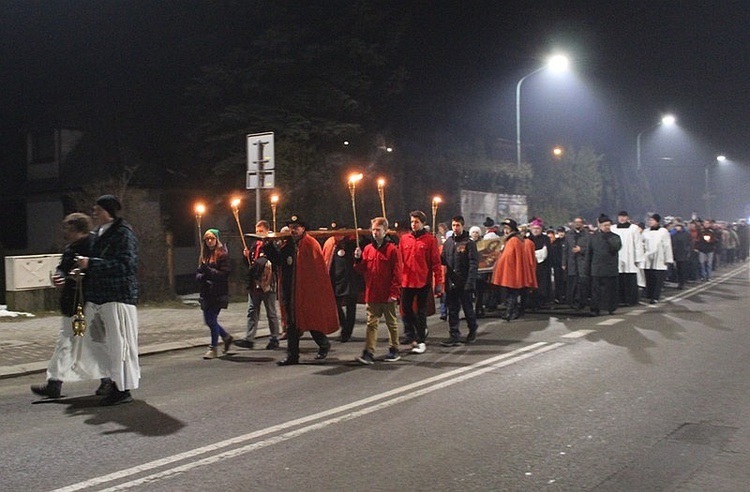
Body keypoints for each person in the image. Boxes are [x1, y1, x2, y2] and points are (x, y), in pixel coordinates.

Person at [31, 213, 107, 399]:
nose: (65, 233)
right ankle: (54, 383)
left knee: (94, 343)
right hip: (71, 303)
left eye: (68, 229)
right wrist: (59, 277)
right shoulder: (70, 249)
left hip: (89, 302)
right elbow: (62, 268)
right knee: (64, 343)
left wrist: (84, 274)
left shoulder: (95, 245)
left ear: (78, 229)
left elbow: (102, 270)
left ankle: (109, 380)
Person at [76, 194, 139, 406]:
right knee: (93, 340)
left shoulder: (123, 234)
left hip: (117, 296)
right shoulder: (97, 234)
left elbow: (125, 265)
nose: (94, 213)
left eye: (98, 209)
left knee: (119, 344)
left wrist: (91, 264)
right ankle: (109, 379)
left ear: (109, 212)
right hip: (97, 297)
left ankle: (122, 388)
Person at [265, 215, 339, 365]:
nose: (293, 230)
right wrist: (269, 246)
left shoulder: (310, 244)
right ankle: (293, 356)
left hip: (306, 291)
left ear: (303, 228)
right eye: (291, 228)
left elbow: (317, 270)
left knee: (310, 320)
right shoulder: (289, 245)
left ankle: (323, 344)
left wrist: (312, 290)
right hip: (290, 290)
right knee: (292, 323)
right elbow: (280, 262)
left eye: (296, 227)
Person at [353, 217, 403, 364]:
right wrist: (357, 259)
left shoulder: (392, 250)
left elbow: (397, 273)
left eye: (378, 230)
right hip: (372, 293)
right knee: (371, 324)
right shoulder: (368, 249)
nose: (375, 233)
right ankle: (369, 352)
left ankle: (394, 349)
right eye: (373, 230)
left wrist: (394, 293)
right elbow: (362, 269)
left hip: (387, 294)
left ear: (385, 231)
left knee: (391, 323)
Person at [399, 210, 444, 354]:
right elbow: (399, 260)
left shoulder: (430, 240)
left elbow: (436, 263)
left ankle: (420, 340)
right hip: (406, 280)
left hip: (422, 280)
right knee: (405, 309)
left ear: (423, 223)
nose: (414, 224)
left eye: (416, 222)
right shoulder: (404, 239)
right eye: (412, 221)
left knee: (421, 311)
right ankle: (413, 332)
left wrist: (438, 282)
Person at [235, 220, 281, 350]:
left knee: (270, 312)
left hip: (268, 282)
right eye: (257, 231)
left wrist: (269, 247)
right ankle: (249, 338)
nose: (258, 234)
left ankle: (274, 337)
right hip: (255, 282)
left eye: (261, 231)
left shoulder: (272, 243)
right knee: (252, 311)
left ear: (267, 230)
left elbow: (277, 260)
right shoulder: (254, 244)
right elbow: (250, 265)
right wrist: (246, 256)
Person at [440, 215, 479, 345]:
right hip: (452, 283)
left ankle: (472, 330)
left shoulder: (469, 243)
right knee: (453, 310)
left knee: (468, 309)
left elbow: (473, 264)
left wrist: (470, 282)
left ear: (462, 226)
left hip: (464, 282)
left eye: (457, 225)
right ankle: (454, 335)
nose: (455, 228)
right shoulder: (448, 242)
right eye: (453, 225)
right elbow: (443, 260)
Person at [196, 228, 233, 359]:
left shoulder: (222, 254)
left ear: (217, 240)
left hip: (218, 292)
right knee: (208, 320)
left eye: (212, 239)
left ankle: (213, 348)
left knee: (212, 320)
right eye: (207, 239)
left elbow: (224, 274)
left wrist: (209, 272)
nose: (210, 241)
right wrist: (201, 276)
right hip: (206, 292)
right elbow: (199, 272)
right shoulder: (204, 255)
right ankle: (226, 337)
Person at [322, 230, 362, 342]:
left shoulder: (352, 244)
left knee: (351, 308)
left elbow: (358, 261)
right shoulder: (330, 244)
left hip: (350, 280)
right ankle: (343, 325)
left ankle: (347, 332)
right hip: (336, 281)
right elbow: (327, 261)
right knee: (335, 305)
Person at [490, 218, 529, 321]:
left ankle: (510, 312)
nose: (505, 230)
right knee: (511, 292)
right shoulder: (510, 239)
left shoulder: (514, 240)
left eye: (507, 228)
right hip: (510, 271)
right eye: (504, 228)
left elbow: (509, 257)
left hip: (512, 272)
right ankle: (513, 311)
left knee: (512, 293)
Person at [588, 214, 622, 316]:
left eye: (608, 225)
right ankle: (595, 309)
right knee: (596, 291)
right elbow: (589, 254)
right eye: (604, 225)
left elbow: (616, 247)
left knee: (611, 290)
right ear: (600, 225)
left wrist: (607, 238)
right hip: (597, 268)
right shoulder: (593, 237)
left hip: (610, 268)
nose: (607, 227)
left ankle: (611, 307)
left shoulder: (615, 237)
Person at [610, 211, 645, 306]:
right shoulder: (613, 228)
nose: (622, 218)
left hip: (630, 258)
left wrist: (638, 258)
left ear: (627, 217)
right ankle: (620, 299)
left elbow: (638, 244)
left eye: (624, 217)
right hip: (618, 257)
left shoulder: (634, 229)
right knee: (619, 279)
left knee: (630, 279)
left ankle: (631, 299)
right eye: (620, 216)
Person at [642, 213, 674, 303]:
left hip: (660, 259)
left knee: (658, 279)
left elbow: (667, 245)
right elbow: (642, 243)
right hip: (648, 259)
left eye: (652, 220)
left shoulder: (663, 231)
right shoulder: (646, 232)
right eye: (650, 220)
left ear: (657, 221)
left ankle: (655, 296)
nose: (650, 222)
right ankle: (650, 294)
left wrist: (668, 259)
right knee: (649, 278)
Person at [562, 217, 590, 310]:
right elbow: (565, 250)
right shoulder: (569, 234)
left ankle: (581, 301)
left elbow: (590, 249)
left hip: (582, 263)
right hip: (572, 263)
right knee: (572, 282)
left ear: (582, 223)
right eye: (576, 222)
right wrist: (564, 262)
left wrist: (581, 249)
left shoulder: (587, 235)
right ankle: (572, 301)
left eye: (579, 222)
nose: (577, 224)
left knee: (581, 283)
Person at [528, 218, 551, 310]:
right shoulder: (528, 239)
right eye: (534, 228)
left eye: (538, 228)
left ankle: (542, 301)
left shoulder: (546, 239)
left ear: (541, 229)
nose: (536, 230)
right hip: (531, 266)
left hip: (543, 266)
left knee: (542, 284)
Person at [670, 220, 692, 289]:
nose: (677, 228)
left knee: (682, 269)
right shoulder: (674, 235)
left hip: (683, 254)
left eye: (678, 226)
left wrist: (688, 251)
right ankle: (680, 282)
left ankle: (682, 283)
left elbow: (689, 243)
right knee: (678, 269)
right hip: (677, 254)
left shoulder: (686, 234)